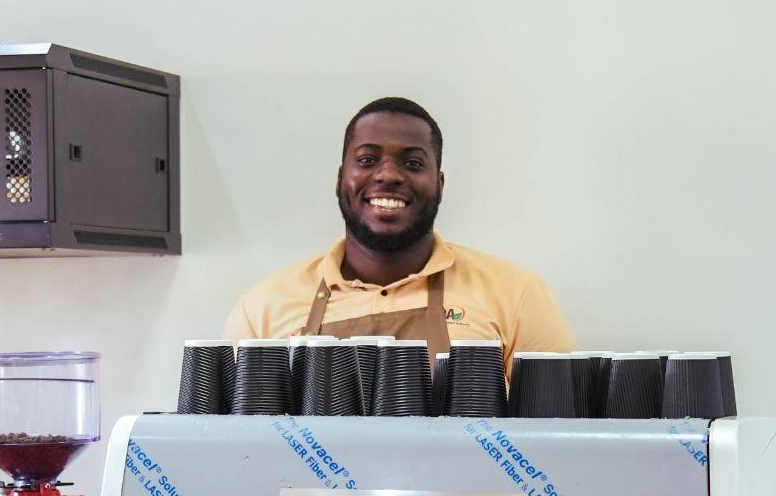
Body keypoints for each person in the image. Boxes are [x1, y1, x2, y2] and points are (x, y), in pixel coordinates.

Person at [224, 96, 575, 360]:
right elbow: (234, 437)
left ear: (439, 184)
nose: (389, 175)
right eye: (367, 159)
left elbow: (557, 433)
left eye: (413, 163)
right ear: (341, 178)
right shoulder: (261, 310)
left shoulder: (517, 296)